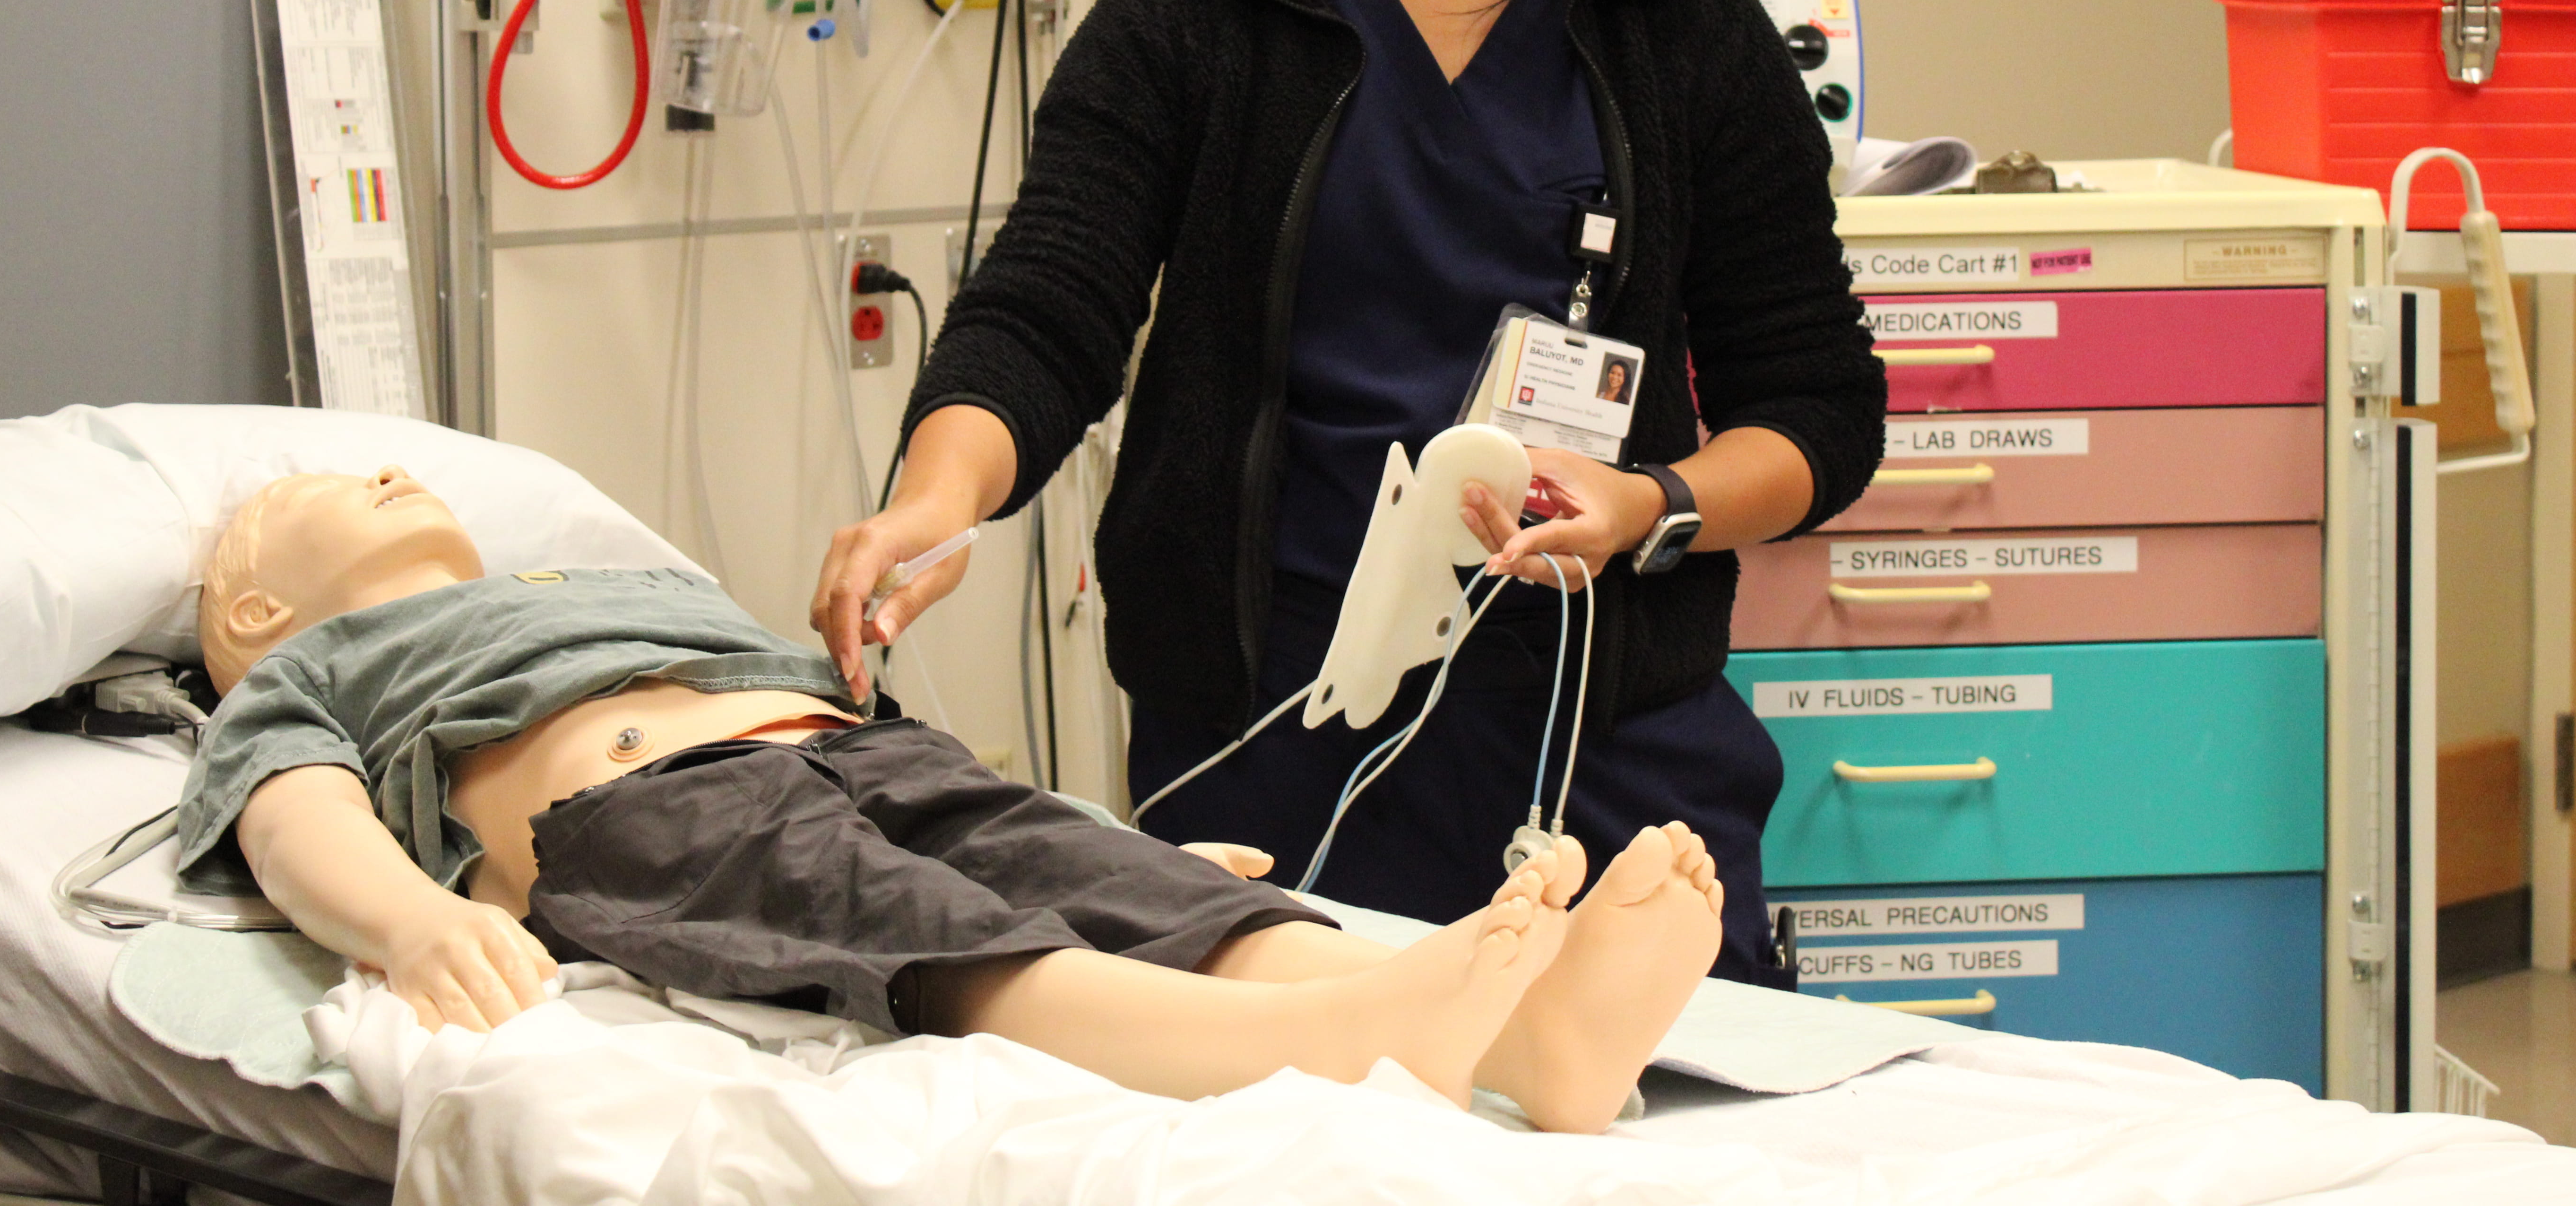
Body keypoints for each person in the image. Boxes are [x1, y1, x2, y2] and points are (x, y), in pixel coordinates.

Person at [812, 0, 1885, 988]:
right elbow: (1047, 307)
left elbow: (1820, 409)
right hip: (1269, 741)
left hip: (1599, 752)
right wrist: (938, 499)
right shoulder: (1202, 14)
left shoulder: (1684, 40)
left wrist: (1653, 505)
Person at [177, 464, 1727, 1133]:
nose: (389, 476)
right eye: (325, 494)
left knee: (1119, 879)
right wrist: (400, 926)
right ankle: (1313, 1045)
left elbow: (873, 728)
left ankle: (1539, 1038)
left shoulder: (613, 583)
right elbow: (294, 812)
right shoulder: (311, 672)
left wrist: (1104, 841)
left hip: (859, 742)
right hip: (656, 811)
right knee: (924, 929)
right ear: (251, 609)